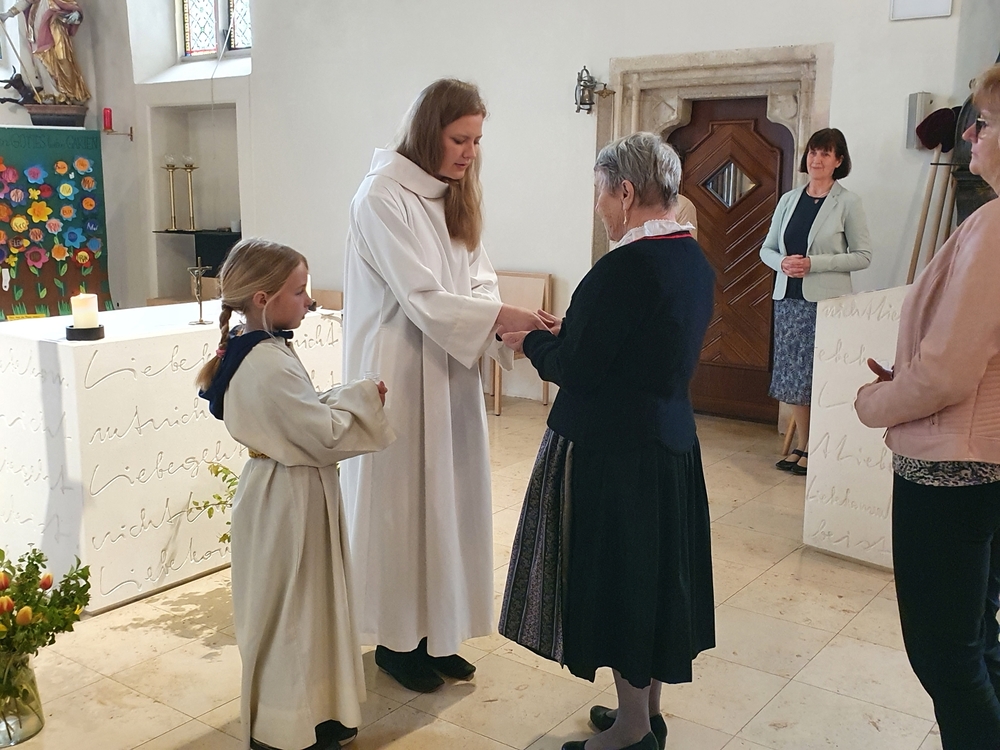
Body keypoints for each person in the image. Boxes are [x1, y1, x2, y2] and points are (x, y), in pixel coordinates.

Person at [499, 132, 715, 750]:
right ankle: (648, 713)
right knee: (654, 580)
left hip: (618, 453)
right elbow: (641, 339)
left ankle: (631, 729)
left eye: (599, 192)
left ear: (624, 191)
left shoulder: (623, 268)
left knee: (623, 581)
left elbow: (580, 369)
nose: (597, 205)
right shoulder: (690, 258)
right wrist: (571, 328)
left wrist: (530, 340)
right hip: (670, 442)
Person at [340, 79, 545, 693]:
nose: (470, 152)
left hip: (450, 369)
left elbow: (480, 277)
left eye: (477, 140)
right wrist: (499, 319)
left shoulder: (455, 194)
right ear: (429, 132)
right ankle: (397, 642)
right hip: (400, 370)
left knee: (450, 501)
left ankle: (439, 633)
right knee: (403, 508)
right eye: (460, 139)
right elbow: (421, 295)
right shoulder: (381, 195)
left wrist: (500, 321)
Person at [197, 239, 395, 750]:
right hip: (286, 496)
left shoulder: (260, 346)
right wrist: (363, 398)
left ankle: (319, 712)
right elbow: (320, 434)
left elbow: (301, 412)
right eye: (299, 290)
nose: (309, 300)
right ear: (263, 298)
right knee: (290, 613)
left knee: (311, 607)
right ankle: (284, 728)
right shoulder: (264, 361)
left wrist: (351, 396)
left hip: (290, 487)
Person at [855, 64, 1000, 750]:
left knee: (946, 657)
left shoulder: (994, 227)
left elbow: (948, 371)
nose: (969, 134)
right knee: (976, 643)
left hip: (953, 466)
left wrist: (877, 401)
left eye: (984, 122)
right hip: (983, 457)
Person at [759, 128, 871, 475]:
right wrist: (782, 263)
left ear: (839, 161)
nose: (816, 159)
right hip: (788, 299)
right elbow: (767, 249)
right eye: (812, 152)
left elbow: (863, 255)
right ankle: (804, 444)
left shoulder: (848, 202)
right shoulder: (789, 200)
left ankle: (817, 447)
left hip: (826, 303)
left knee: (817, 377)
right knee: (794, 379)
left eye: (825, 153)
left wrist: (814, 264)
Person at [0, 0, 90, 103]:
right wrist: (8, 14)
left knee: (61, 59)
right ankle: (51, 93)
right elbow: (26, 1)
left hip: (55, 28)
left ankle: (67, 92)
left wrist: (77, 14)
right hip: (38, 30)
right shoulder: (37, 3)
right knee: (41, 61)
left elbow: (71, 5)